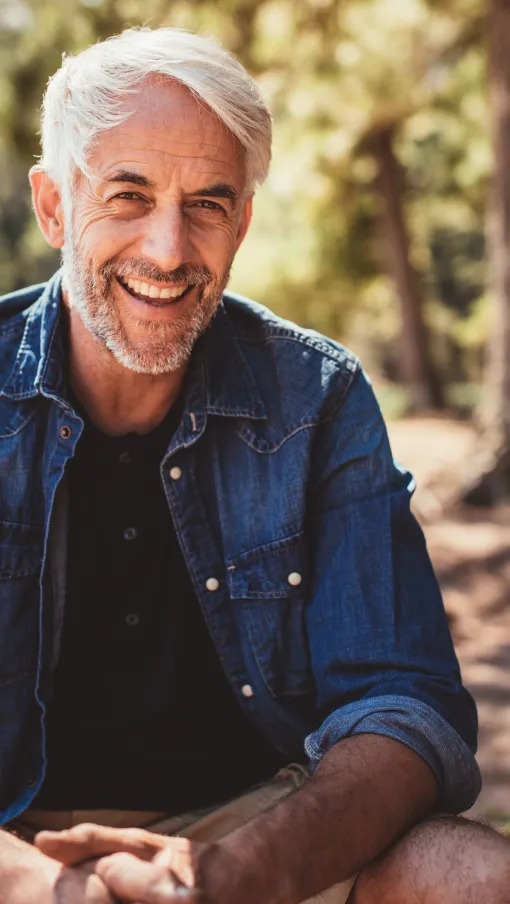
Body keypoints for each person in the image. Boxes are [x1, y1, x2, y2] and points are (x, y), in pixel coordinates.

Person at [0, 25, 508, 904]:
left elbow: (404, 708)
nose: (168, 249)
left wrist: (233, 874)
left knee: (461, 873)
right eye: (128, 194)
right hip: (16, 843)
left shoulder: (318, 398)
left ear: (241, 221)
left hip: (255, 833)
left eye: (207, 202)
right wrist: (47, 888)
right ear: (53, 207)